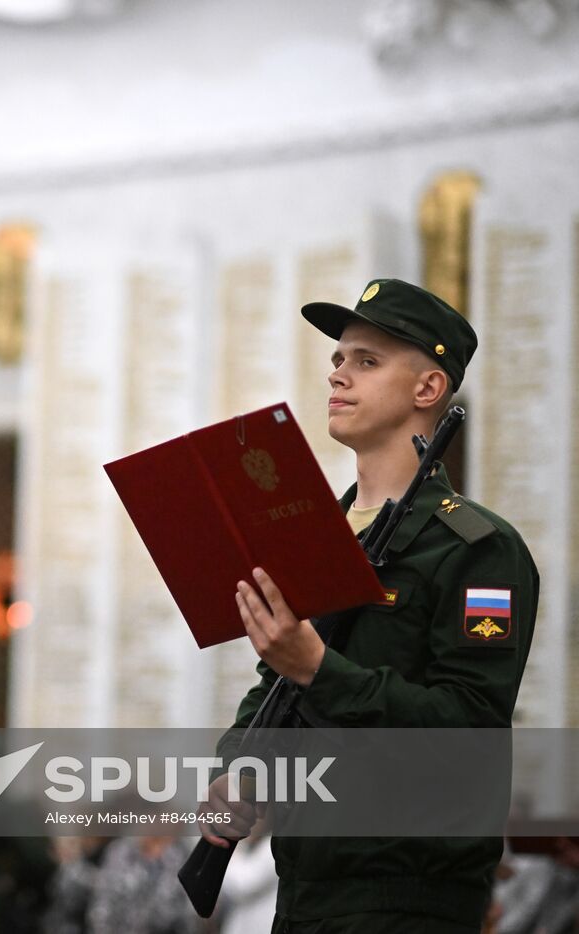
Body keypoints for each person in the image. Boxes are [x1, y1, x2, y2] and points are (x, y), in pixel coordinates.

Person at [200, 279, 539, 932]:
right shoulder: (315, 535)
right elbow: (276, 684)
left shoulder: (477, 548)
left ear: (428, 389)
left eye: (367, 361)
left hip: (409, 893)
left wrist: (320, 670)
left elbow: (468, 726)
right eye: (337, 359)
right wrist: (235, 770)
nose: (339, 375)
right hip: (303, 882)